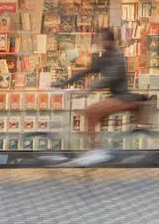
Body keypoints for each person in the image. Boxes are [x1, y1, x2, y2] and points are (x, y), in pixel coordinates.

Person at [64, 27, 153, 167]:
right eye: (100, 40)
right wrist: (64, 83)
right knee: (92, 117)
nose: (100, 43)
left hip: (123, 98)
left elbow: (110, 78)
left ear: (110, 41)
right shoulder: (106, 56)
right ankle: (96, 148)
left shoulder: (118, 57)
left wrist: (90, 90)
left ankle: (95, 151)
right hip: (116, 97)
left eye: (103, 40)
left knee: (91, 111)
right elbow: (88, 71)